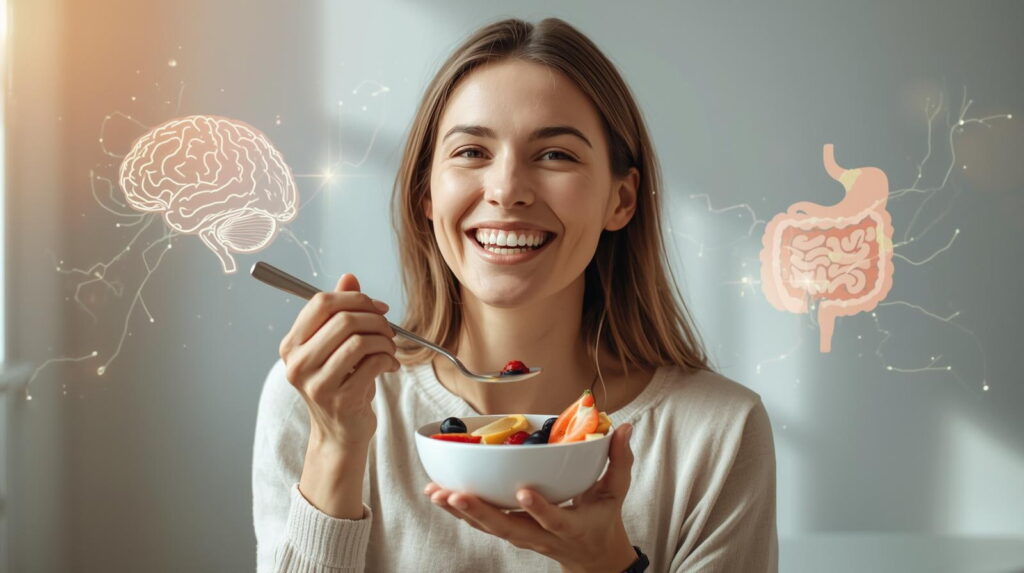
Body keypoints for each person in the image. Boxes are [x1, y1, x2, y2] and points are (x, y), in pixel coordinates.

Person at [252, 17, 777, 572]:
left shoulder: (717, 432)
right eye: (472, 152)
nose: (505, 190)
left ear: (620, 200)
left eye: (555, 155)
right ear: (426, 191)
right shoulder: (324, 398)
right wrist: (336, 446)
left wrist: (609, 565)